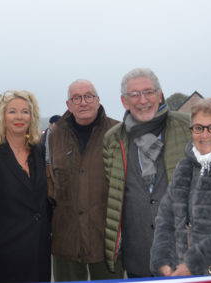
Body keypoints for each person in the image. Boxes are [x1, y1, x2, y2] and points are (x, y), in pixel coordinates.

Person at [104, 68, 191, 277]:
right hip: (138, 253)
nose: (143, 100)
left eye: (149, 92)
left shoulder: (188, 127)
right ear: (125, 101)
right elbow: (115, 192)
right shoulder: (112, 139)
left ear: (160, 95)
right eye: (134, 94)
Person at [49, 79, 121, 281]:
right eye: (76, 98)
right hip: (67, 238)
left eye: (88, 96)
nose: (83, 102)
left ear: (98, 100)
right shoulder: (55, 136)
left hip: (107, 238)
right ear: (68, 105)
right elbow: (52, 182)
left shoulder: (119, 133)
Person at [0, 90, 51, 282]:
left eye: (25, 112)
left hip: (38, 247)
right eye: (12, 111)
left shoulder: (39, 150)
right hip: (5, 248)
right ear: (2, 116)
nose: (19, 117)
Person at [150, 98, 211, 276]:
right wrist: (163, 261)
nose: (205, 135)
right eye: (199, 128)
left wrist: (193, 263)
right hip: (182, 272)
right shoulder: (185, 167)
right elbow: (166, 218)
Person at [41, 114, 60, 197]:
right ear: (51, 125)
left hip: (59, 168)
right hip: (46, 168)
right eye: (57, 125)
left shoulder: (63, 137)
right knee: (50, 193)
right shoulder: (42, 137)